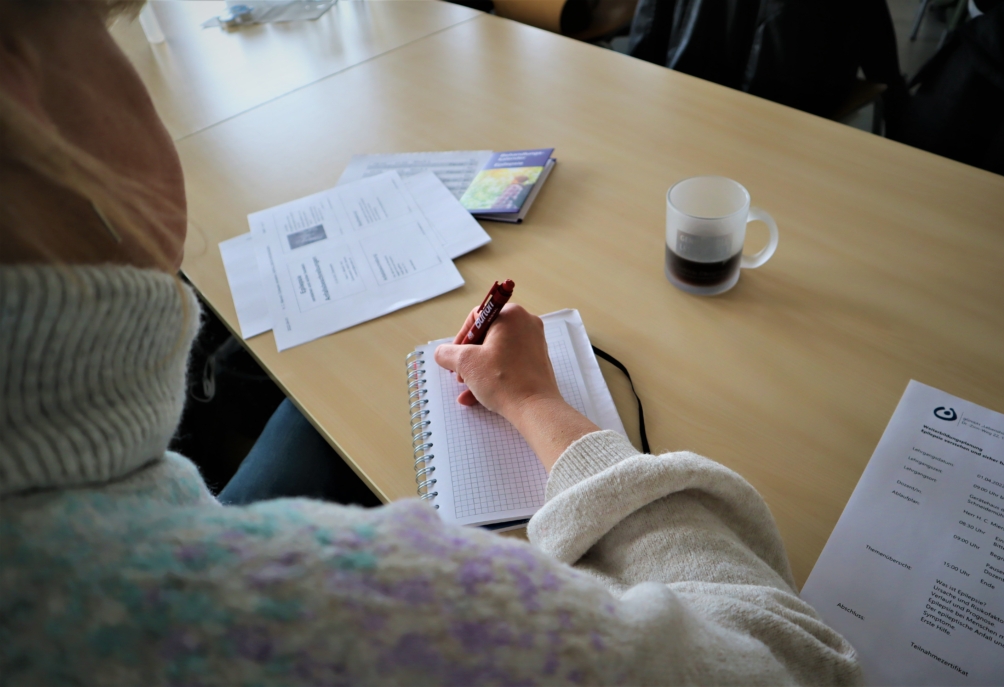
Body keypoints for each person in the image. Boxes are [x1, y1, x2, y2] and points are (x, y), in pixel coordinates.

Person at [0, 1, 861, 684]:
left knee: (311, 418)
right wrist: (539, 403)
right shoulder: (375, 608)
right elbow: (790, 660)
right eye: (105, 30)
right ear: (22, 101)